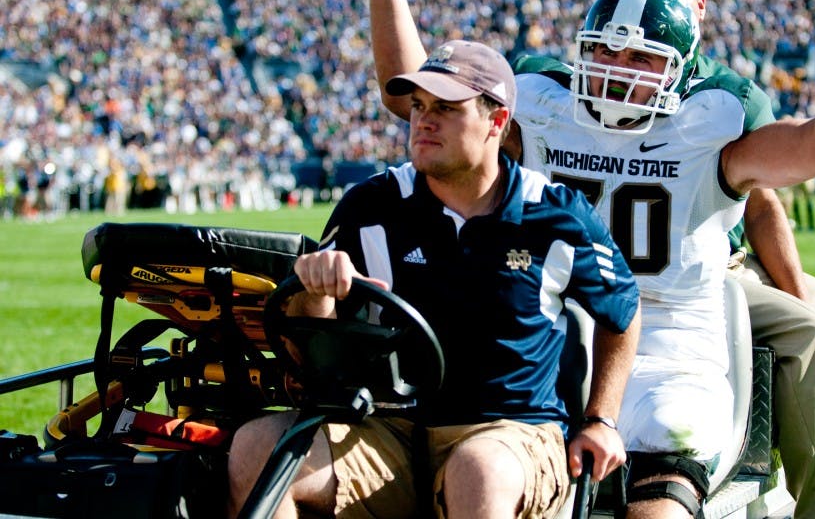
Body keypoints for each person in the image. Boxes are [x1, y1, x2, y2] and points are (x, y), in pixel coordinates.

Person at [361, 0, 815, 517]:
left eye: (642, 58)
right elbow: (420, 97)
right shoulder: (546, 106)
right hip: (548, 340)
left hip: (665, 351)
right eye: (606, 52)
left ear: (684, 61)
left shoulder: (710, 123)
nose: (618, 71)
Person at [226, 39, 642, 519]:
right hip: (389, 430)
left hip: (512, 432)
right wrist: (315, 294)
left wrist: (601, 418)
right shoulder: (371, 206)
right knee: (257, 448)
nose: (424, 120)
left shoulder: (555, 214)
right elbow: (310, 355)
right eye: (419, 105)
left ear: (497, 122)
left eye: (446, 108)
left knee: (477, 471)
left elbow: (624, 313)